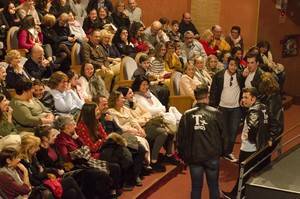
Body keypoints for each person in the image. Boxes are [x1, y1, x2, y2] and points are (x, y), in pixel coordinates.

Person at [177, 84, 228, 199]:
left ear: (196, 97)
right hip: (212, 156)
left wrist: (183, 156)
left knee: (196, 187)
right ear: (207, 96)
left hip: (194, 156)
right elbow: (224, 136)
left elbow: (180, 138)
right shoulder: (216, 113)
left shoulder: (186, 115)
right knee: (213, 186)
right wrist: (223, 153)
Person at [223, 87, 269, 199]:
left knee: (243, 175)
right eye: (243, 97)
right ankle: (238, 194)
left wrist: (250, 139)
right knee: (249, 174)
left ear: (253, 99)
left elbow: (252, 128)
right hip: (259, 147)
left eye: (246, 97)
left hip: (249, 148)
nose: (243, 100)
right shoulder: (264, 107)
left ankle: (238, 195)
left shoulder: (253, 111)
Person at [209, 57, 244, 162]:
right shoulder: (219, 75)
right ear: (227, 65)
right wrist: (213, 106)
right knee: (222, 132)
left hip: (236, 109)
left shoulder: (241, 76)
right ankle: (219, 151)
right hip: (222, 108)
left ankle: (228, 152)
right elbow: (213, 92)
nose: (233, 67)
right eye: (231, 64)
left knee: (233, 132)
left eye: (235, 65)